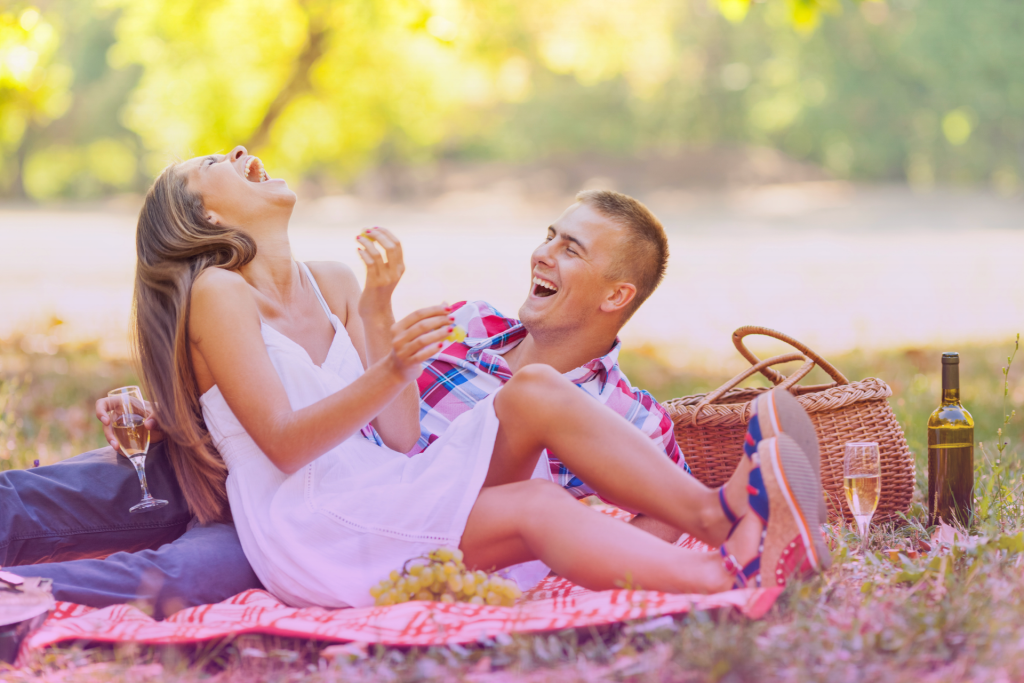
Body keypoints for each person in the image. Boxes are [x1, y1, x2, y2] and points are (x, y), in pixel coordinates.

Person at [0, 154, 827, 613]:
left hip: (384, 482)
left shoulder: (331, 277)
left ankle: (726, 537)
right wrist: (396, 360)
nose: (246, 153)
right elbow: (287, 444)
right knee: (541, 499)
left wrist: (380, 312)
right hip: (311, 514)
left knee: (534, 415)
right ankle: (729, 551)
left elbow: (398, 436)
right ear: (208, 220)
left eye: (571, 248)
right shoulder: (218, 292)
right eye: (218, 163)